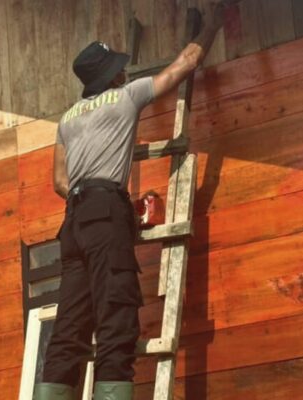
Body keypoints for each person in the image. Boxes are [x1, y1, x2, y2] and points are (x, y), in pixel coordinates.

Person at [35, 4, 225, 400]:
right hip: (105, 215)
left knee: (69, 329)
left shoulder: (68, 119)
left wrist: (90, 198)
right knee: (116, 320)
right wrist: (212, 24)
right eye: (117, 68)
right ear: (111, 77)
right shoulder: (125, 96)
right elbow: (186, 63)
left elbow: (59, 182)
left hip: (72, 224)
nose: (123, 71)